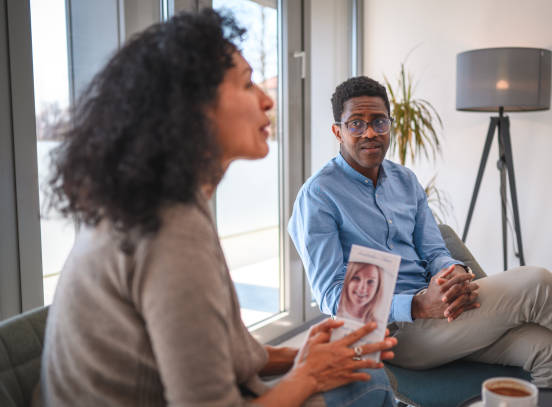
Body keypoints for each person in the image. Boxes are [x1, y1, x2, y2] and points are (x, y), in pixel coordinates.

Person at [37, 12, 399, 406]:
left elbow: (221, 352)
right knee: (361, 385)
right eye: (246, 83)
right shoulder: (169, 229)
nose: (267, 99)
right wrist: (309, 373)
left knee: (356, 375)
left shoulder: (167, 202)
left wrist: (305, 357)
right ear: (191, 108)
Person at [288, 75, 552, 389]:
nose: (370, 132)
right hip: (391, 332)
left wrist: (452, 274)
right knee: (538, 284)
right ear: (337, 130)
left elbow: (433, 249)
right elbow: (332, 295)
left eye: (379, 121)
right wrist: (417, 305)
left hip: (442, 313)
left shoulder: (404, 180)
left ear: (390, 124)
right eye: (356, 123)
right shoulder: (319, 195)